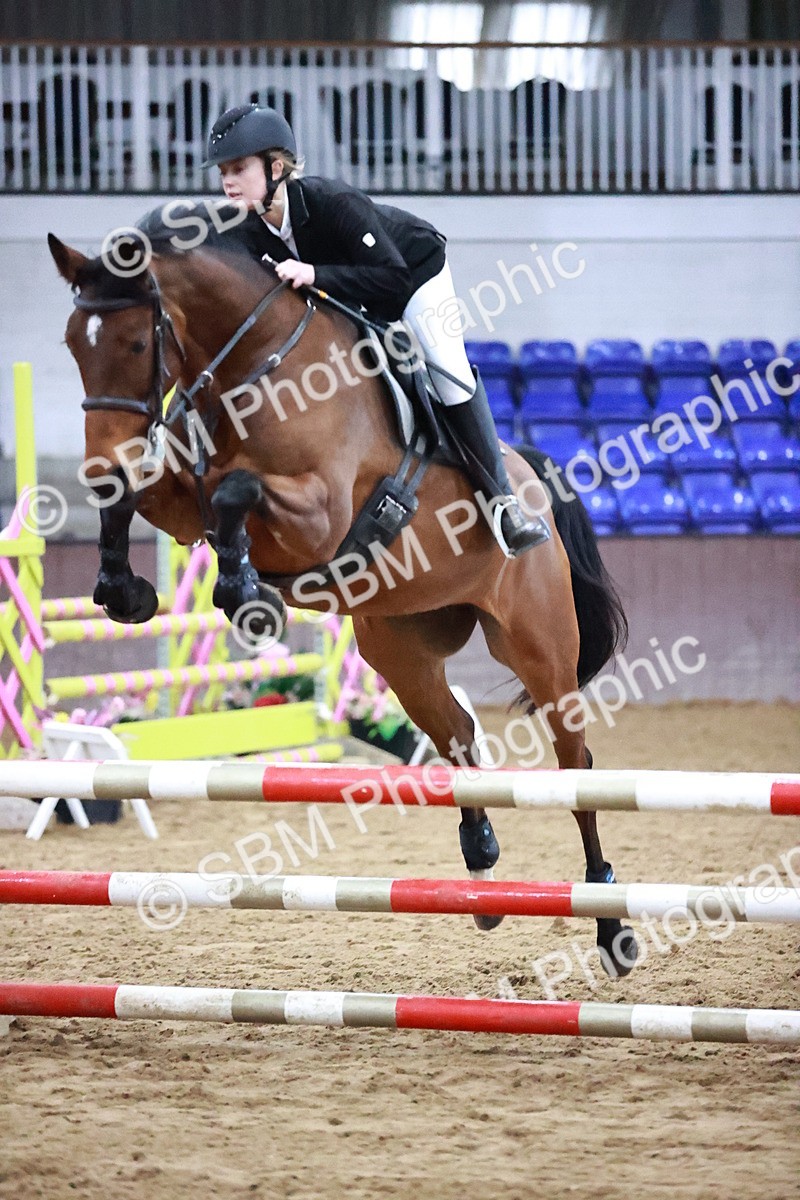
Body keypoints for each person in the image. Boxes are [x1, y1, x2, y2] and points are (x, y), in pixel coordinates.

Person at [201, 103, 550, 556]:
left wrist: (314, 274)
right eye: (223, 172)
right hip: (347, 298)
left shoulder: (331, 202)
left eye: (239, 169)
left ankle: (504, 504)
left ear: (276, 168)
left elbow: (393, 279)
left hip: (412, 275)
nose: (228, 182)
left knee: (448, 371)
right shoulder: (243, 233)